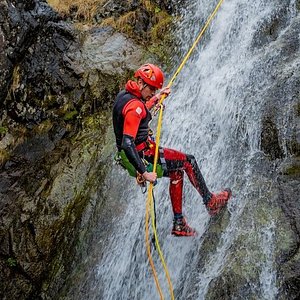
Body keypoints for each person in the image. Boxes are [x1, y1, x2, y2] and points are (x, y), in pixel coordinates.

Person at [113, 63, 232, 237]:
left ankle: (179, 223)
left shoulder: (124, 96)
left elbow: (138, 113)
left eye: (155, 90)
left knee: (177, 173)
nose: (153, 93)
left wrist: (157, 98)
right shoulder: (135, 107)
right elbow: (128, 142)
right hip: (143, 156)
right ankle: (211, 202)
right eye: (152, 89)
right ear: (141, 83)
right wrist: (144, 172)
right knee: (188, 161)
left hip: (129, 158)